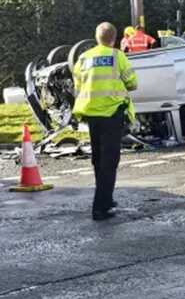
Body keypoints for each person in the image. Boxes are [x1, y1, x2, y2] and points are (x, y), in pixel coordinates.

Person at [72, 22, 138, 221]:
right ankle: (100, 207)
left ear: (96, 38)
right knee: (110, 162)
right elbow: (132, 83)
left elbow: (77, 84)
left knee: (98, 159)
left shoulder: (84, 57)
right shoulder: (117, 56)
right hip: (111, 114)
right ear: (114, 39)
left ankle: (106, 199)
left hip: (91, 114)